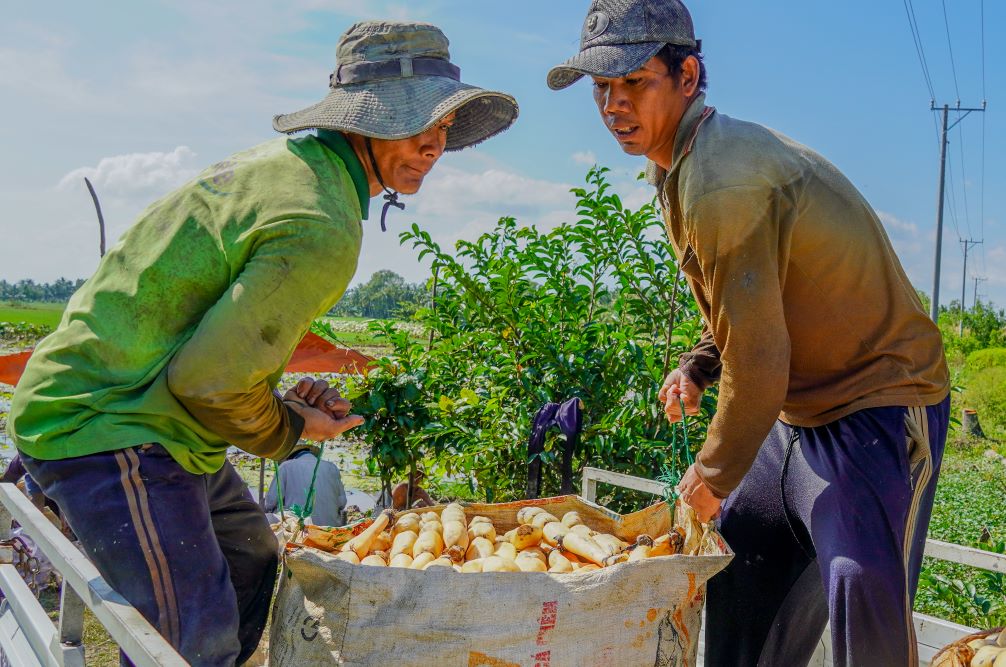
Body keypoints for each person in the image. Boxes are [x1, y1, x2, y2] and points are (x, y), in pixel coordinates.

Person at [9, 20, 516, 665]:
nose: (433, 143)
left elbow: (207, 352)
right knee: (190, 642)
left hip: (162, 418)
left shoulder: (285, 170)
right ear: (363, 120)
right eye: (415, 121)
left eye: (443, 124)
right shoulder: (321, 222)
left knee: (254, 565)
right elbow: (208, 384)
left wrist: (277, 398)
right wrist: (291, 429)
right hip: (110, 424)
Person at [548, 2, 950, 666]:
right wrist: (699, 365)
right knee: (738, 570)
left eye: (634, 82)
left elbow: (760, 366)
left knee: (865, 611)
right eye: (601, 88)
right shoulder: (678, 163)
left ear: (687, 75)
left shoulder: (720, 177)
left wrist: (709, 472)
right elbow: (751, 304)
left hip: (875, 402)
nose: (614, 105)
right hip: (791, 415)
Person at [262, 441, 348, 527]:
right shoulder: (331, 467)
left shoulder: (285, 467)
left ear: (287, 455)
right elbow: (342, 503)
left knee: (267, 517)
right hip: (331, 527)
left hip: (299, 528)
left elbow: (269, 503)